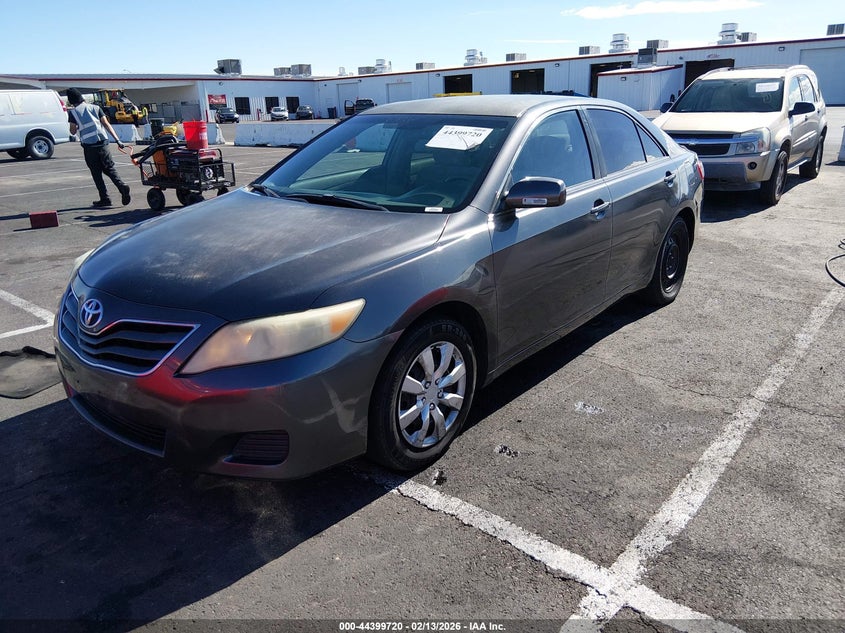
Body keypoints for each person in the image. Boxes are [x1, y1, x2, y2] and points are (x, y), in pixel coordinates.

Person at [66, 87, 131, 207]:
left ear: (71, 100)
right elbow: (106, 124)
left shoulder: (73, 113)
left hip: (89, 146)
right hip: (103, 142)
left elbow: (73, 131)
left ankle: (105, 198)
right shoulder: (96, 108)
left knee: (96, 173)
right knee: (109, 168)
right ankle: (122, 186)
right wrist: (118, 140)